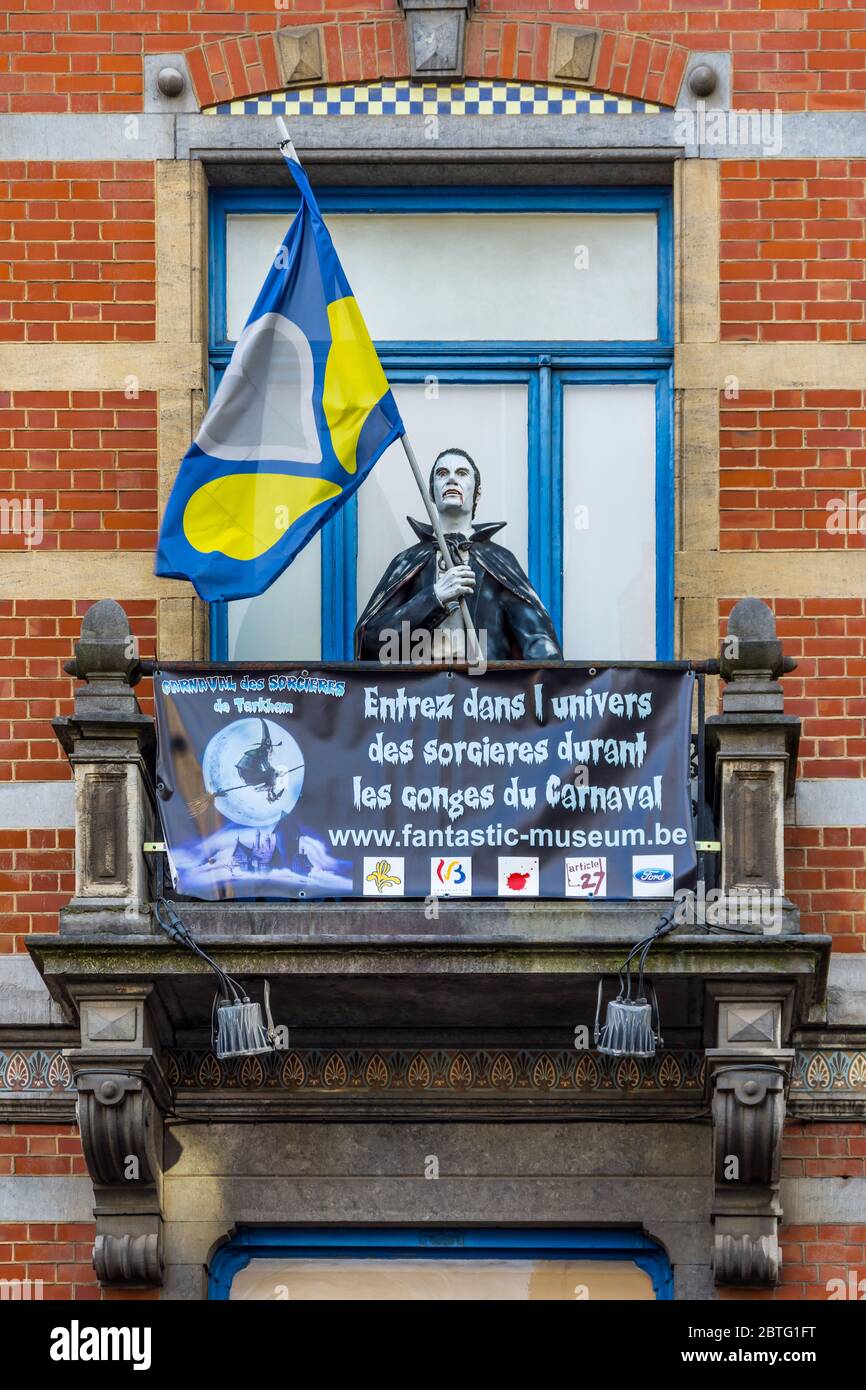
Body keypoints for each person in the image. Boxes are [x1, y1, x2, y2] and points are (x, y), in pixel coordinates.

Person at [354, 447, 563, 661]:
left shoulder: (498, 560)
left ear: (477, 493)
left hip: (484, 690)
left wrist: (545, 683)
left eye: (462, 473)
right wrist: (434, 597)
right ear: (431, 493)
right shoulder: (408, 561)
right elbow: (370, 641)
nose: (451, 479)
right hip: (421, 691)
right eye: (442, 474)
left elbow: (537, 639)